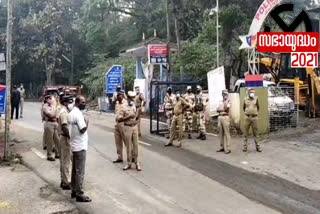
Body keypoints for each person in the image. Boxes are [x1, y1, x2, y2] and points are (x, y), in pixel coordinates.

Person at [68, 95, 92, 202]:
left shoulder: (72, 113)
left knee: (74, 170)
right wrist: (87, 122)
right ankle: (79, 193)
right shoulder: (78, 114)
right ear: (77, 103)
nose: (84, 104)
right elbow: (83, 130)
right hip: (80, 146)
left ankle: (73, 190)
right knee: (80, 171)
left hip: (74, 144)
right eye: (83, 102)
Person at [121, 91, 141, 171]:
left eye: (133, 98)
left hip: (134, 127)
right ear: (128, 98)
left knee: (136, 145)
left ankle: (136, 162)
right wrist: (129, 116)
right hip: (127, 127)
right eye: (131, 98)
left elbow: (136, 117)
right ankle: (129, 163)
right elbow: (119, 119)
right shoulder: (123, 106)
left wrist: (138, 115)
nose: (133, 100)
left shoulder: (135, 106)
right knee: (129, 146)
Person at [58, 95, 73, 190]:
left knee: (64, 160)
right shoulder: (63, 113)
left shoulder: (67, 112)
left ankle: (63, 180)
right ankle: (66, 182)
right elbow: (64, 126)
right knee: (66, 161)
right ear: (64, 103)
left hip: (64, 137)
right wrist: (70, 137)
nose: (71, 104)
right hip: (65, 138)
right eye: (69, 102)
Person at [243, 88, 262, 152]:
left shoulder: (256, 98)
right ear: (248, 93)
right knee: (245, 133)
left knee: (256, 133)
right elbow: (244, 107)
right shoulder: (245, 99)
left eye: (253, 92)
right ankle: (245, 147)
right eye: (251, 92)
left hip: (254, 118)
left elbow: (258, 107)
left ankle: (258, 147)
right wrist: (248, 113)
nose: (252, 93)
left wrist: (254, 113)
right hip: (247, 117)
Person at [42, 95, 60, 161]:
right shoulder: (45, 106)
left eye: (50, 98)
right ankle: (49, 155)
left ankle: (57, 154)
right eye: (48, 99)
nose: (50, 100)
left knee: (57, 139)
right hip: (49, 124)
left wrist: (55, 115)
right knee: (50, 141)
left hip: (55, 123)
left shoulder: (53, 106)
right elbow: (50, 116)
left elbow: (56, 116)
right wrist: (56, 114)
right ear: (46, 100)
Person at [113, 90, 127, 163]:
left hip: (123, 124)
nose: (117, 96)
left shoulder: (126, 103)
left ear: (122, 95)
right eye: (117, 95)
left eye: (119, 95)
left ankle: (131, 156)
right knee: (118, 141)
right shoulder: (117, 103)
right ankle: (119, 157)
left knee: (126, 141)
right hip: (117, 123)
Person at [216, 90, 231, 154]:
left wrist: (225, 101)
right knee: (221, 133)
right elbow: (217, 110)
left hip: (225, 117)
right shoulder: (220, 101)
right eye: (223, 94)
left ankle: (227, 148)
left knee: (226, 132)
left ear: (227, 94)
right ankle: (222, 146)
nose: (224, 95)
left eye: (225, 94)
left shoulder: (229, 101)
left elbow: (226, 108)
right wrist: (221, 110)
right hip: (220, 117)